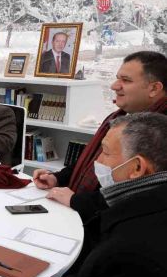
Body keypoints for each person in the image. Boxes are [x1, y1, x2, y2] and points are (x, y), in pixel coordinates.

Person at [41, 113, 167, 277]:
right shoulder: (143, 208)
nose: (97, 161)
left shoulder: (131, 250)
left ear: (136, 167)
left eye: (105, 153)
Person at [33, 51, 167, 221]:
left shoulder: (160, 133)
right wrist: (57, 178)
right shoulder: (118, 117)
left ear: (154, 88)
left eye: (126, 80)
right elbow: (91, 161)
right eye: (117, 78)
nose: (114, 86)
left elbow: (143, 196)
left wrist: (78, 201)